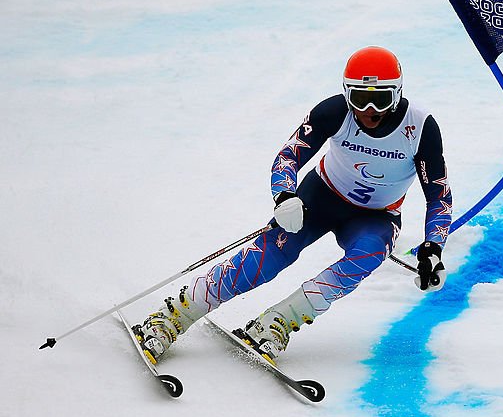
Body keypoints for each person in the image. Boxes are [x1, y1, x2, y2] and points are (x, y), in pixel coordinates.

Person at [132, 46, 452, 365]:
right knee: (268, 260)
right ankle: (176, 314)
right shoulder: (333, 112)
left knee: (367, 255)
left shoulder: (420, 128)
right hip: (320, 197)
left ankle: (277, 323)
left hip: (376, 217)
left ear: (397, 94)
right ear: (345, 93)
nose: (369, 110)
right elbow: (288, 156)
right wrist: (285, 196)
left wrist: (432, 248)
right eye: (358, 98)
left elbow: (437, 195)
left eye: (380, 99)